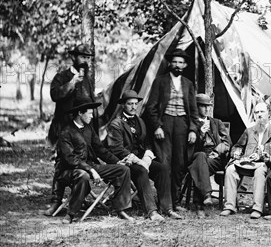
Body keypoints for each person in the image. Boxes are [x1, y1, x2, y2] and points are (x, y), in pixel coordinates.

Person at [106, 90, 182, 221]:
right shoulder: (116, 124)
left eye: (136, 104)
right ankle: (151, 211)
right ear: (123, 105)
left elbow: (147, 143)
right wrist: (138, 161)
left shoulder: (140, 121)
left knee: (162, 169)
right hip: (126, 162)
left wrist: (147, 157)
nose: (134, 107)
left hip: (142, 159)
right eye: (130, 104)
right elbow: (117, 149)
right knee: (141, 171)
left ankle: (167, 208)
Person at [56, 97, 133, 224]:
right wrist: (91, 170)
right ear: (80, 113)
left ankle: (120, 209)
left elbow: (100, 149)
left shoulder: (88, 128)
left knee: (123, 170)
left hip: (91, 167)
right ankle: (71, 214)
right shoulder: (66, 131)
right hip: (69, 171)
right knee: (83, 175)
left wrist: (116, 161)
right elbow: (71, 159)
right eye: (90, 113)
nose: (92, 116)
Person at [144, 49, 199, 210]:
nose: (177, 65)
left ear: (185, 65)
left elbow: (194, 111)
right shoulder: (160, 81)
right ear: (170, 63)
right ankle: (164, 203)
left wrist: (192, 130)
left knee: (179, 164)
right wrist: (157, 126)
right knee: (165, 163)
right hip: (165, 124)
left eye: (181, 62)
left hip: (182, 125)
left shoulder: (188, 84)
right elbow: (151, 107)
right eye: (174, 62)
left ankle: (175, 202)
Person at [44, 43, 95, 217]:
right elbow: (55, 95)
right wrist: (72, 82)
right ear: (73, 57)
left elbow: (90, 103)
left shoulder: (88, 79)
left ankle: (78, 197)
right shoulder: (62, 76)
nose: (85, 61)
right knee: (61, 164)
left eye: (88, 58)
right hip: (63, 128)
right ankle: (55, 201)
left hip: (81, 129)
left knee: (81, 161)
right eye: (82, 57)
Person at [220, 101, 271, 219]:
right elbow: (238, 145)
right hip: (245, 163)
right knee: (231, 169)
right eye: (256, 112)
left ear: (269, 114)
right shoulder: (249, 131)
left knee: (259, 172)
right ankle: (229, 206)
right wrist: (236, 152)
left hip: (262, 164)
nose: (259, 115)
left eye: (262, 112)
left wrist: (262, 153)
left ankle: (257, 208)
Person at [187, 93, 231, 208]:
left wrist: (217, 151)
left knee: (200, 164)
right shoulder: (191, 124)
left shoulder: (216, 123)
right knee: (200, 157)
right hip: (198, 155)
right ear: (196, 107)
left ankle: (200, 200)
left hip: (215, 158)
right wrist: (200, 133)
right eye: (203, 106)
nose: (206, 109)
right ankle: (206, 194)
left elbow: (227, 143)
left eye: (208, 106)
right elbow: (189, 146)